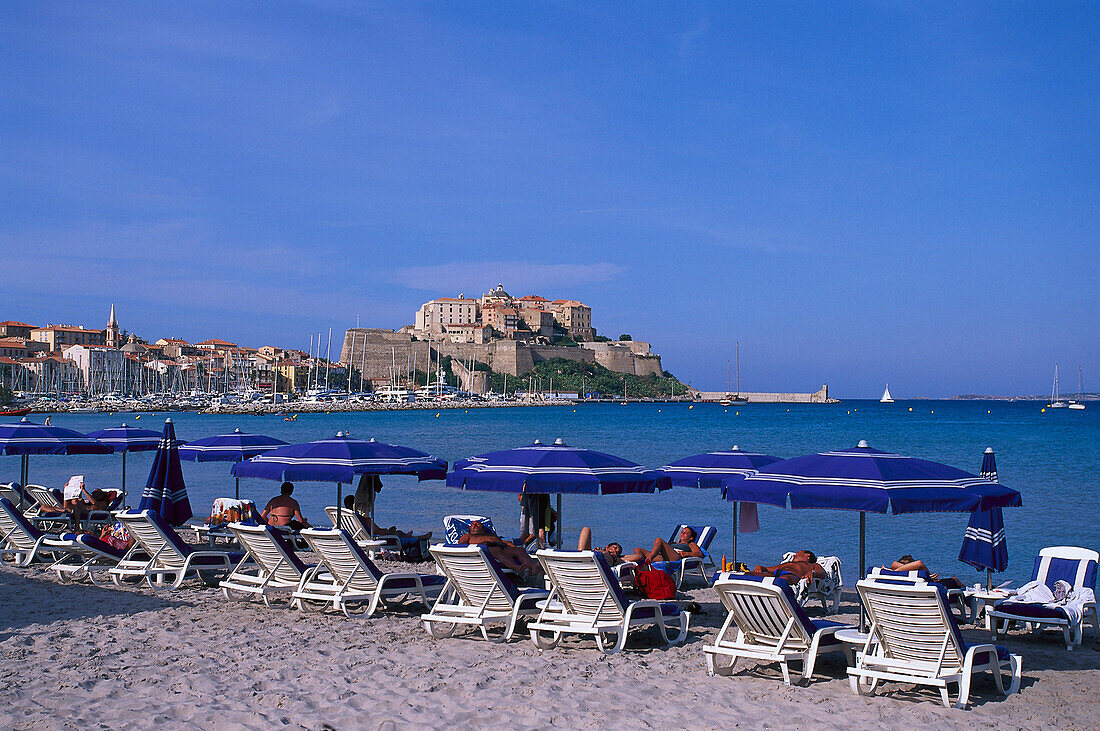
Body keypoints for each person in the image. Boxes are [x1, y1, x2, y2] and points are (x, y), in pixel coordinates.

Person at [458, 520, 541, 577]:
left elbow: (505, 543)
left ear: (483, 528)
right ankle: (517, 568)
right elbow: (462, 547)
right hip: (485, 551)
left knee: (519, 550)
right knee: (496, 550)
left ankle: (532, 567)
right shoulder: (468, 536)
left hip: (501, 547)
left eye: (478, 524)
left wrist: (513, 547)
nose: (475, 525)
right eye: (472, 524)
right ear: (469, 529)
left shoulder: (490, 535)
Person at [342, 495, 432, 544]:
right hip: (374, 538)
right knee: (398, 533)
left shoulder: (348, 517)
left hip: (358, 537)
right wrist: (389, 531)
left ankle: (409, 535)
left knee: (397, 532)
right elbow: (378, 531)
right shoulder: (363, 517)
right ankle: (420, 537)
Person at [631, 526, 705, 565]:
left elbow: (699, 554)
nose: (682, 533)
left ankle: (648, 560)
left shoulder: (691, 544)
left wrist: (686, 553)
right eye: (682, 532)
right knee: (638, 549)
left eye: (685, 533)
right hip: (663, 557)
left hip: (676, 558)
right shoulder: (673, 543)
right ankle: (637, 562)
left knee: (659, 540)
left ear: (691, 537)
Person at [745, 550, 826, 585]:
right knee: (749, 574)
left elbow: (822, 573)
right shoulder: (787, 564)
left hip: (792, 576)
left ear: (807, 556)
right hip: (776, 576)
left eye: (798, 553)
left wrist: (812, 572)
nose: (794, 555)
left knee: (783, 579)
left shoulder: (811, 565)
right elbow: (767, 569)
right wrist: (759, 567)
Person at [889, 555, 964, 590]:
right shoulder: (921, 577)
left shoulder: (895, 578)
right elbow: (919, 563)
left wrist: (893, 572)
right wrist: (928, 576)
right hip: (931, 588)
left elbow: (894, 564)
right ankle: (968, 598)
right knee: (955, 579)